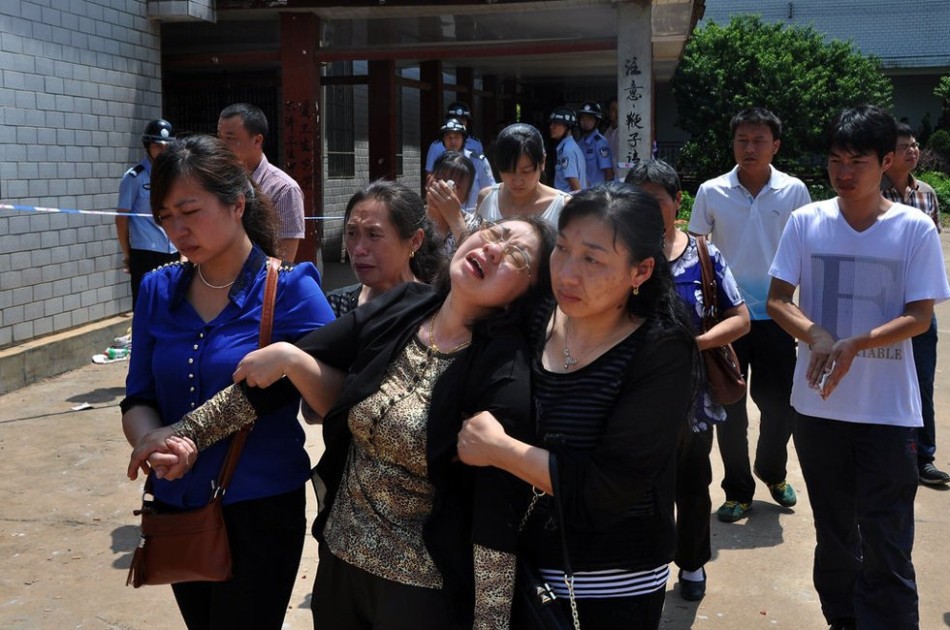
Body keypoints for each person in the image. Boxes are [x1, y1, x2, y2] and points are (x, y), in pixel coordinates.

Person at [128, 218, 557, 629]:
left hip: (420, 592)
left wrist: (490, 624)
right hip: (339, 568)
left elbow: (495, 514)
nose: (494, 249)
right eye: (494, 233)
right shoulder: (405, 306)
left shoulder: (504, 373)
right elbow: (278, 378)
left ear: (524, 294)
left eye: (517, 256)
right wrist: (188, 434)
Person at [457, 183, 699, 630]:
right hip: (517, 561)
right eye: (562, 249)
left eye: (592, 259)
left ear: (640, 271)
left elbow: (606, 490)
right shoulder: (538, 313)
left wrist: (500, 450)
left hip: (610, 581)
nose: (567, 273)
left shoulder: (660, 350)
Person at [121, 134, 336, 629]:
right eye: (166, 218)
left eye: (190, 212)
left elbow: (333, 402)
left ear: (238, 203)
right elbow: (138, 397)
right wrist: (153, 441)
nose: (177, 230)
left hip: (259, 509)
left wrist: (292, 360)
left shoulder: (292, 288)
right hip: (176, 507)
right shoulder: (158, 289)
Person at [767, 105, 950, 630]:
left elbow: (919, 316)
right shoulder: (807, 221)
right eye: (835, 161)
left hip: (889, 414)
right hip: (819, 408)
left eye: (858, 162)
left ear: (887, 162)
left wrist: (853, 345)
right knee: (835, 533)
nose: (844, 173)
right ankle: (843, 620)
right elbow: (779, 299)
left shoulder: (913, 228)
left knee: (887, 536)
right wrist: (817, 334)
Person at [626, 160, 750, 602]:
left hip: (692, 400)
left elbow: (741, 320)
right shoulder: (617, 252)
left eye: (656, 200)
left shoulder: (703, 254)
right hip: (632, 396)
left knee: (692, 486)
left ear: (678, 203)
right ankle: (644, 566)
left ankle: (693, 561)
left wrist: (694, 344)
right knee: (637, 487)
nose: (646, 208)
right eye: (637, 198)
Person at [688, 107, 812, 522]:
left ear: (776, 145)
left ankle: (773, 471)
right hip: (728, 318)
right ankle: (737, 489)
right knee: (732, 409)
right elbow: (697, 250)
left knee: (780, 406)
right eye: (742, 139)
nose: (749, 147)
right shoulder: (712, 191)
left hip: (779, 316)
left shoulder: (794, 191)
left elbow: (807, 252)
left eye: (759, 140)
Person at [881, 122, 948, 486]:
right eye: (905, 146)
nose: (913, 151)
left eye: (915, 145)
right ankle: (892, 453)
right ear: (887, 156)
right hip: (884, 302)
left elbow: (932, 252)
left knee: (921, 381)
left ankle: (924, 457)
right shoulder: (874, 193)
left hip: (919, 304)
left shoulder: (927, 195)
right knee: (883, 377)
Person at [327, 180, 444, 317]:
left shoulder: (437, 311)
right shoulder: (335, 306)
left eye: (373, 235)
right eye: (352, 233)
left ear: (415, 241)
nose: (358, 250)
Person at [217, 103, 305, 261]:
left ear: (257, 141)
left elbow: (283, 260)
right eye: (220, 137)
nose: (221, 146)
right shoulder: (214, 180)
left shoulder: (284, 189)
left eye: (230, 139)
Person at [116, 119, 179, 309]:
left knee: (171, 303)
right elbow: (121, 219)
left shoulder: (174, 175)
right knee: (146, 305)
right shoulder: (135, 177)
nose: (162, 151)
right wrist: (128, 254)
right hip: (145, 251)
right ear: (148, 147)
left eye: (167, 147)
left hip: (172, 249)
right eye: (157, 146)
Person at [475, 123, 570, 227]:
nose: (517, 181)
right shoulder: (486, 199)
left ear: (542, 162)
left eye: (526, 171)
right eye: (509, 171)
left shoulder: (564, 207)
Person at [425, 118, 495, 211]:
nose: (453, 141)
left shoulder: (478, 161)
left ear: (463, 139)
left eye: (457, 137)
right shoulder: (440, 163)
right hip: (446, 215)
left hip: (474, 216)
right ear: (443, 140)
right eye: (449, 137)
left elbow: (490, 190)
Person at [426, 151, 482, 254]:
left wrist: (455, 219)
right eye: (438, 179)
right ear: (429, 179)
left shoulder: (475, 227)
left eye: (455, 185)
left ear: (466, 195)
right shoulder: (411, 218)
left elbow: (474, 259)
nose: (443, 186)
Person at [424, 101, 486, 173]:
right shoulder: (436, 146)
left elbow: (483, 172)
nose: (459, 122)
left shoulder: (476, 144)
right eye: (455, 118)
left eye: (463, 119)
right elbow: (430, 173)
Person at [548, 106, 586, 193]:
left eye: (556, 123)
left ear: (568, 127)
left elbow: (575, 184)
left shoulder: (566, 150)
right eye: (551, 123)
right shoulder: (570, 146)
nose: (551, 127)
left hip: (568, 202)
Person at [577, 101, 614, 185]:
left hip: (597, 193)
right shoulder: (579, 143)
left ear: (596, 121)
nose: (585, 122)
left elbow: (609, 174)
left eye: (590, 119)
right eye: (583, 118)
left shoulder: (600, 143)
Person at [604, 98, 620, 179]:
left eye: (618, 110)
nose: (616, 113)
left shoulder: (626, 133)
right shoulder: (606, 134)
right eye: (613, 110)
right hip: (611, 180)